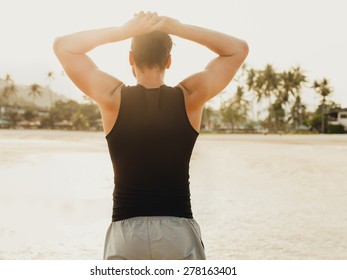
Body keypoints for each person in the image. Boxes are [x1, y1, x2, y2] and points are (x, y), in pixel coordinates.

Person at [53, 11, 248, 260]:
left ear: (131, 58)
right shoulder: (190, 97)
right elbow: (237, 49)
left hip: (126, 234)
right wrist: (176, 27)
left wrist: (124, 30)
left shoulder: (112, 97)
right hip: (177, 231)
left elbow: (63, 47)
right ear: (168, 61)